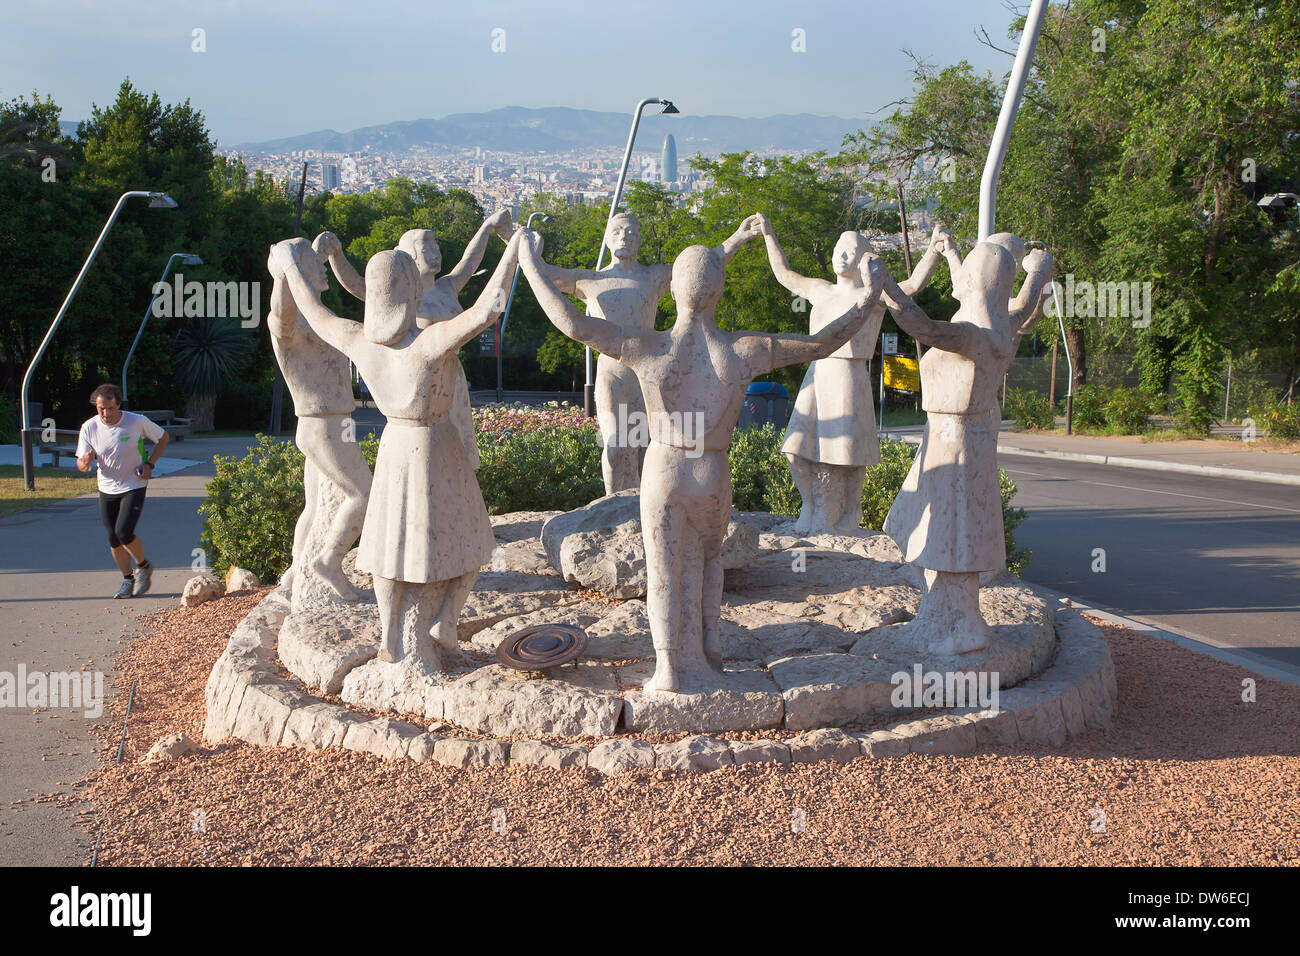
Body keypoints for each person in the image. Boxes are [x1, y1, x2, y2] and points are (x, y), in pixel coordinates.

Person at [520, 229, 885, 693]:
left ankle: (670, 668)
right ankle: (711, 655)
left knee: (666, 572)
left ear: (672, 289)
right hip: (711, 471)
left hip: (667, 468)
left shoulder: (648, 347)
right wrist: (869, 296)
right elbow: (820, 343)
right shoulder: (743, 349)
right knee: (710, 562)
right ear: (720, 291)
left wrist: (530, 264)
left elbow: (572, 322)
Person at [269, 231, 523, 672]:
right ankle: (444, 621)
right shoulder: (427, 343)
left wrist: (289, 267)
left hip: (394, 448)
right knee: (471, 538)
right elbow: (488, 310)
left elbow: (314, 309)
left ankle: (390, 633)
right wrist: (516, 251)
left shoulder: (357, 340)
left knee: (389, 547)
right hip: (436, 445)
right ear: (409, 293)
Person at [527, 212, 764, 493]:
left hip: (646, 373)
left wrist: (739, 237)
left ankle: (641, 505)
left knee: (644, 448)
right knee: (616, 446)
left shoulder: (654, 276)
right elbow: (543, 274)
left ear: (639, 240)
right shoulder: (588, 280)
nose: (623, 237)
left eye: (629, 232)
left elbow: (702, 265)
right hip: (612, 374)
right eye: (616, 231)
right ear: (606, 238)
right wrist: (524, 247)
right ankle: (614, 502)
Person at [758, 217, 950, 534]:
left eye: (850, 251)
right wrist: (768, 234)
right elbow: (785, 275)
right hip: (818, 372)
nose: (840, 255)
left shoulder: (873, 295)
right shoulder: (821, 289)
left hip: (848, 376)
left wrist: (932, 250)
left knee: (838, 453)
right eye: (838, 249)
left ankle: (832, 515)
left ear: (863, 260)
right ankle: (811, 504)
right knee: (796, 448)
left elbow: (912, 285)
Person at [268, 234, 373, 605]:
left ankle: (295, 571)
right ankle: (329, 563)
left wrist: (324, 253)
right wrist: (285, 271)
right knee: (364, 493)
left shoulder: (313, 317)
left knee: (313, 508)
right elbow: (281, 316)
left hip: (331, 421)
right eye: (312, 263)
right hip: (321, 423)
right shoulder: (289, 321)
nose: (320, 265)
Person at [75, 384, 169, 599]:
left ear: (119, 405)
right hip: (106, 486)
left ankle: (143, 566)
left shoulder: (136, 421)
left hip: (134, 483)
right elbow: (82, 463)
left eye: (110, 408)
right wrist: (85, 462)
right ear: (96, 407)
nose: (106, 414)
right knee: (113, 538)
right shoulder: (89, 427)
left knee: (124, 532)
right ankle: (128, 579)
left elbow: (163, 438)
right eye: (101, 409)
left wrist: (150, 464)